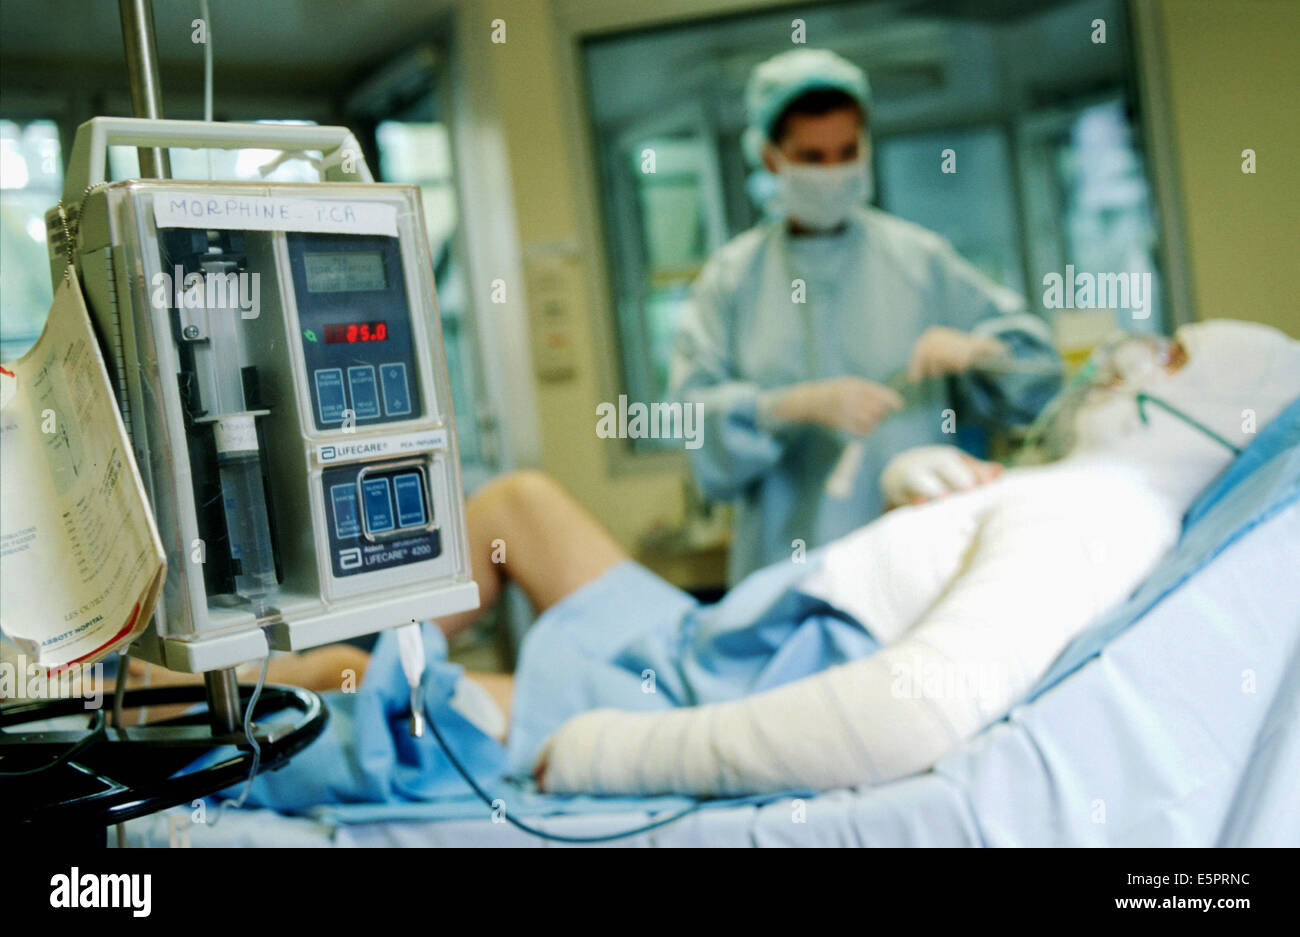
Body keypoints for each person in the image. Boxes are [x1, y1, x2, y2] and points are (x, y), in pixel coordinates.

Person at [669, 49, 1062, 583]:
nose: (833, 172)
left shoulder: (920, 261)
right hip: (789, 571)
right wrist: (785, 406)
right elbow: (691, 423)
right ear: (770, 159)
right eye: (811, 157)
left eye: (847, 152)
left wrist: (984, 353)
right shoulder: (732, 279)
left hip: (923, 560)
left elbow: (1043, 381)